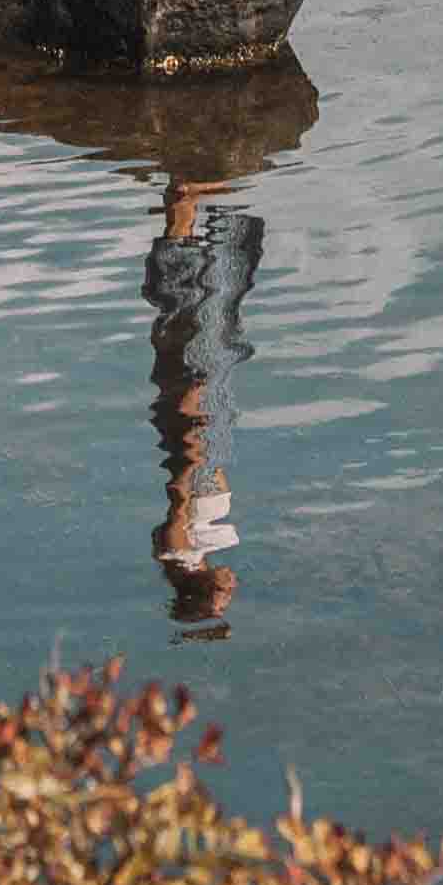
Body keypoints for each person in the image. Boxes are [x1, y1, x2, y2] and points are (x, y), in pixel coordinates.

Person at [144, 169, 261, 635]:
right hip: (212, 417)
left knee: (189, 304)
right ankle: (190, 195)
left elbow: (182, 477)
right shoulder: (199, 548)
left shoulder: (178, 548)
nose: (232, 589)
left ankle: (183, 194)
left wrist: (194, 400)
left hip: (197, 412)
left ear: (199, 587)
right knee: (211, 308)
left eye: (222, 596)